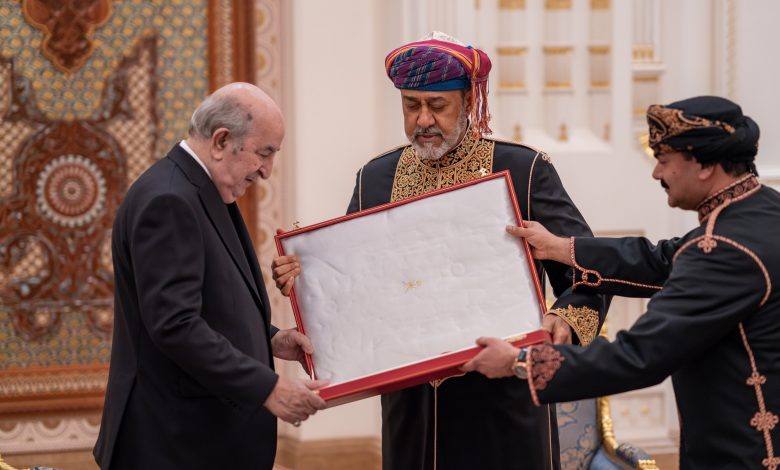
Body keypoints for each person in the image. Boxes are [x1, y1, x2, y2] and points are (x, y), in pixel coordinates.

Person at [271, 32, 609, 470]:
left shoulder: (522, 170)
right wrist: (306, 282)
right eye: (412, 106)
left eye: (438, 106)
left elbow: (589, 270)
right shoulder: (374, 178)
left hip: (502, 396)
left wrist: (564, 319)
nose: (423, 120)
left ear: (469, 101)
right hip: (410, 406)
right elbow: (353, 284)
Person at [463, 96, 780, 469]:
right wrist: (564, 248)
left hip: (743, 453)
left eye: (663, 161)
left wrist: (519, 361)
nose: (656, 174)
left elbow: (638, 354)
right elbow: (664, 259)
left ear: (705, 165)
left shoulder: (721, 249)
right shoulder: (762, 210)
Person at [94, 83, 328, 470]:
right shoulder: (169, 200)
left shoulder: (198, 188)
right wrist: (267, 387)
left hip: (197, 441)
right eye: (263, 153)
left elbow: (208, 305)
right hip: (174, 445)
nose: (267, 171)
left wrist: (271, 340)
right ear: (221, 140)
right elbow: (175, 324)